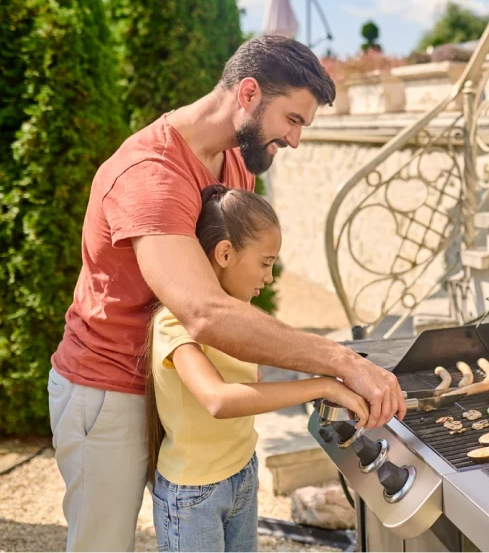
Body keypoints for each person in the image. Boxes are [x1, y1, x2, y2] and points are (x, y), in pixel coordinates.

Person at [47, 35, 405, 552]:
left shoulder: (234, 165)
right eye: (293, 120)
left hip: (174, 388)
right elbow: (204, 312)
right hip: (109, 391)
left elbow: (231, 285)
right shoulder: (151, 174)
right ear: (250, 93)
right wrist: (339, 362)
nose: (296, 140)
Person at [147, 184, 368, 552]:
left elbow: (241, 383)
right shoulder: (175, 321)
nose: (268, 277)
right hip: (194, 493)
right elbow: (218, 400)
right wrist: (322, 386)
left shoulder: (238, 318)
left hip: (242, 472)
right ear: (224, 253)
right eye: (265, 263)